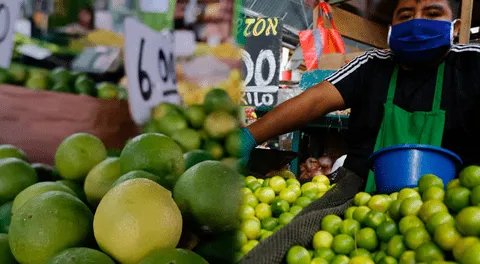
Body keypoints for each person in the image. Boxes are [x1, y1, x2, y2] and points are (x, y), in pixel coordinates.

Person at [241, 0, 480, 193]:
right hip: (360, 199)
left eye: (432, 13)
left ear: (455, 27)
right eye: (405, 15)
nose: (417, 22)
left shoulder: (472, 63)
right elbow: (314, 100)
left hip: (453, 206)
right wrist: (251, 136)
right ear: (391, 27)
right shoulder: (372, 65)